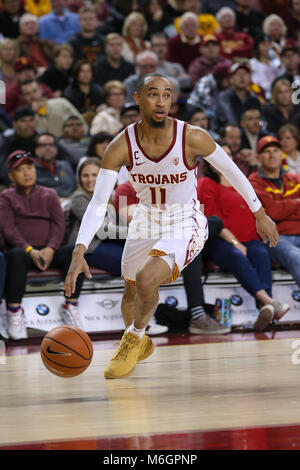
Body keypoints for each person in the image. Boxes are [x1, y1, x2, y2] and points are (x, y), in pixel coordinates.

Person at [64, 73, 278, 379]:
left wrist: (260, 212)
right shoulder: (120, 145)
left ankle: (132, 340)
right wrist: (79, 250)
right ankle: (136, 339)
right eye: (153, 94)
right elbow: (98, 204)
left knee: (147, 278)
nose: (161, 101)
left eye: (167, 94)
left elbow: (232, 171)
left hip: (184, 219)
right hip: (146, 219)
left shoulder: (192, 136)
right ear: (138, 99)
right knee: (131, 291)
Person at [114, 178, 228, 334]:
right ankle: (195, 313)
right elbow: (129, 217)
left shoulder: (170, 184)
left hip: (174, 236)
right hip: (143, 240)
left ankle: (197, 313)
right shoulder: (125, 189)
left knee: (209, 227)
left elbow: (186, 214)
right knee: (188, 246)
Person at [198, 141, 290, 331]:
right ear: (210, 162)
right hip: (219, 240)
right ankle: (269, 302)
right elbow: (211, 218)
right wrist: (235, 242)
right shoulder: (206, 183)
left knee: (261, 254)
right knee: (237, 256)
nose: (224, 160)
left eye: (228, 155)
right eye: (219, 156)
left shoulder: (240, 182)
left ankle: (266, 312)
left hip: (249, 237)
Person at [0, 150, 85, 340]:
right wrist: (30, 250)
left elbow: (59, 224)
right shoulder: (5, 197)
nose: (27, 172)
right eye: (20, 170)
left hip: (49, 251)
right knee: (14, 255)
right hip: (24, 253)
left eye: (29, 167)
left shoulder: (50, 194)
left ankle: (70, 306)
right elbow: (8, 228)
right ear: (11, 175)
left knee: (76, 252)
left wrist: (51, 248)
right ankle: (14, 312)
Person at [249, 136, 300, 293]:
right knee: (296, 256)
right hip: (275, 236)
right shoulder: (253, 181)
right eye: (267, 151)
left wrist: (283, 208)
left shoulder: (295, 178)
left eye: (276, 150)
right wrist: (297, 202)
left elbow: (276, 209)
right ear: (258, 157)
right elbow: (271, 212)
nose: (272, 155)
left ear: (282, 154)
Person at [68, 157, 124, 278]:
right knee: (126, 261)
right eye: (85, 176)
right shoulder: (79, 198)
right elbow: (100, 229)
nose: (90, 180)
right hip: (87, 249)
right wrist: (131, 232)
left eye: (95, 175)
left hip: (107, 242)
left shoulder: (108, 197)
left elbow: (118, 224)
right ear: (79, 178)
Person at [19, 79, 88, 137]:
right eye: (27, 94)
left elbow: (83, 125)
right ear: (22, 97)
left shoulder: (61, 103)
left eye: (34, 91)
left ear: (41, 90)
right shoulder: (23, 116)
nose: (32, 96)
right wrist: (32, 113)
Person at [213, 61, 261, 132]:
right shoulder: (223, 97)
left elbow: (260, 122)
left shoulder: (254, 98)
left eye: (245, 74)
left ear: (250, 78)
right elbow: (230, 121)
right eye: (238, 74)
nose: (242, 77)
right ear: (231, 79)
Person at [34, 132, 76, 199]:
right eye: (43, 145)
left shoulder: (65, 165)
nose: (47, 148)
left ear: (56, 148)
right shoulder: (31, 169)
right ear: (36, 149)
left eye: (51, 144)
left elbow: (75, 187)